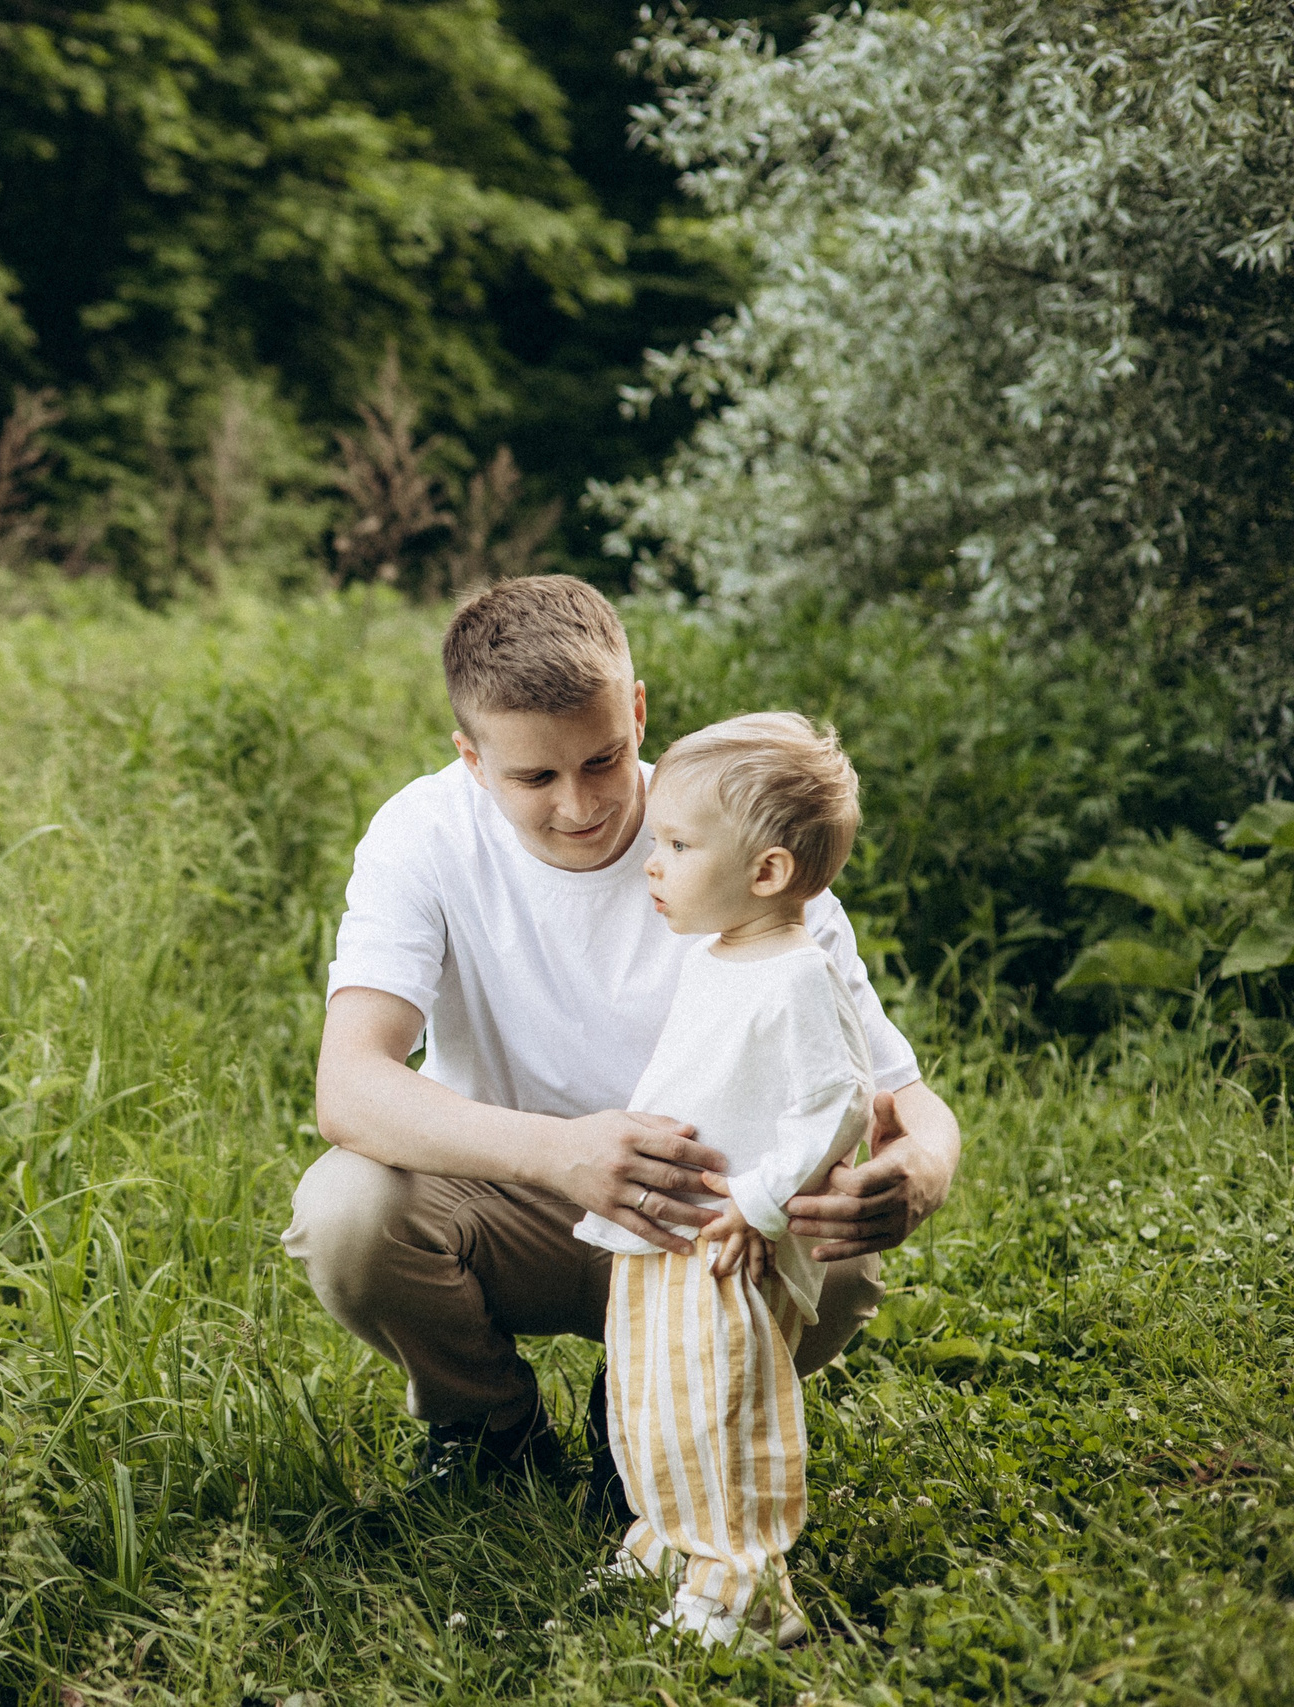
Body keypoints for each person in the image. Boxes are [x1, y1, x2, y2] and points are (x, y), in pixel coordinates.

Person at [282, 575, 960, 1509]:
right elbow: (350, 1086)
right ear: (473, 759)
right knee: (344, 1211)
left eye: (604, 759)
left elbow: (893, 1088)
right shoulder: (421, 836)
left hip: (703, 1217)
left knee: (837, 1259)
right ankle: (489, 1427)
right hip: (508, 1197)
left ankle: (643, 1417)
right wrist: (561, 1151)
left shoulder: (733, 829)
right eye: (535, 778)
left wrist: (927, 1163)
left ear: (636, 711)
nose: (581, 804)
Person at [581, 712, 877, 1649]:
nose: (652, 864)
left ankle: (745, 1586)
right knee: (650, 1398)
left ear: (768, 872)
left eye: (677, 845)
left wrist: (758, 1201)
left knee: (718, 1410)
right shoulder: (720, 957)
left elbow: (840, 1103)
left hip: (724, 1241)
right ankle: (668, 1541)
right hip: (671, 1230)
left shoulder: (795, 975)